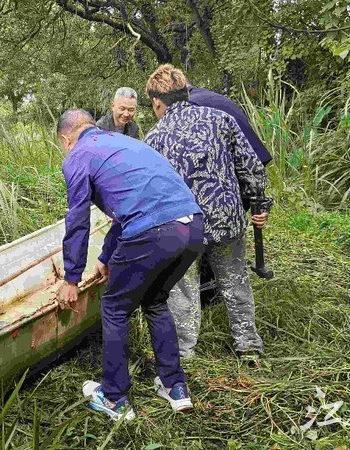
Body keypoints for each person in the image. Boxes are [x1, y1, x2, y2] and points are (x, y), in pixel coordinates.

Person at [55, 109, 204, 421]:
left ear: (67, 140)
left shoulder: (78, 155)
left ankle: (115, 397)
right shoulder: (125, 143)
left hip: (154, 232)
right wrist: (107, 258)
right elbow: (133, 208)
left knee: (115, 307)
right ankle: (174, 387)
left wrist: (70, 279)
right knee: (154, 299)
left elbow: (78, 220)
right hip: (192, 227)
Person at [143, 64, 273, 360]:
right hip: (227, 221)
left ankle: (183, 354)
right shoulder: (222, 120)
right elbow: (252, 169)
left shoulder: (153, 138)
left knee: (183, 291)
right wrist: (259, 205)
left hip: (183, 229)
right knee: (236, 282)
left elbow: (149, 192)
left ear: (157, 101)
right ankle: (248, 345)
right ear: (186, 92)